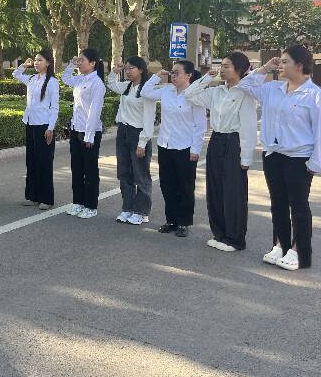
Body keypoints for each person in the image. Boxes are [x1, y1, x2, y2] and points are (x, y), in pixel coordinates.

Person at [238, 46, 321, 270]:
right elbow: (244, 85)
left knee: (298, 206)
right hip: (273, 155)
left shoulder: (315, 96)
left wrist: (316, 163)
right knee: (277, 204)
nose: (280, 65)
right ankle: (280, 244)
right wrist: (264, 68)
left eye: (285, 61)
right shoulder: (273, 89)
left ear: (299, 65)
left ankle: (299, 252)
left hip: (299, 158)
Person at [184, 52, 257, 253]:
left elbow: (249, 127)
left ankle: (235, 239)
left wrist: (246, 157)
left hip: (234, 142)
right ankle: (220, 234)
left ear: (239, 70)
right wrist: (206, 78)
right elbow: (189, 95)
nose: (222, 70)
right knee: (215, 188)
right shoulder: (216, 92)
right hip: (216, 140)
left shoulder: (245, 94)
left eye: (227, 66)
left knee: (233, 191)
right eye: (221, 66)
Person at [141, 61, 207, 238]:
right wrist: (156, 76)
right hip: (165, 144)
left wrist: (196, 149)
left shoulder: (194, 95)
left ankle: (184, 222)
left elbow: (200, 125)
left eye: (177, 73)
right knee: (167, 184)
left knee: (185, 186)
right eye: (172, 72)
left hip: (185, 146)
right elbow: (145, 92)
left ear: (189, 75)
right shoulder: (166, 91)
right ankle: (171, 220)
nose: (173, 75)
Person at [107, 56, 156, 226]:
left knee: (140, 174)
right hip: (123, 132)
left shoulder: (147, 90)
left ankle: (142, 211)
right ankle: (127, 208)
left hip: (138, 134)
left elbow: (149, 118)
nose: (128, 71)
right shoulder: (127, 86)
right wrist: (115, 71)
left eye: (131, 68)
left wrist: (143, 142)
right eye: (126, 68)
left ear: (141, 69)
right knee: (124, 173)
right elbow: (111, 84)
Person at [61, 49, 106, 219]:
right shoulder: (80, 79)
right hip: (76, 129)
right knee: (77, 168)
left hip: (90, 133)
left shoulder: (97, 84)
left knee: (90, 170)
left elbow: (94, 112)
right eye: (78, 60)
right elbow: (65, 78)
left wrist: (89, 136)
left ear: (93, 63)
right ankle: (78, 202)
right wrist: (71, 64)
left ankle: (91, 206)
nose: (79, 63)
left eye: (82, 60)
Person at [12, 50, 59, 210]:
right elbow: (16, 74)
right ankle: (33, 196)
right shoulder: (32, 78)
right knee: (31, 161)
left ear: (48, 63)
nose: (37, 63)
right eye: (36, 60)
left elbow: (54, 107)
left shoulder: (52, 82)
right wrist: (24, 65)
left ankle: (46, 198)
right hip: (30, 123)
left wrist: (50, 128)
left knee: (44, 163)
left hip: (44, 126)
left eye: (40, 60)